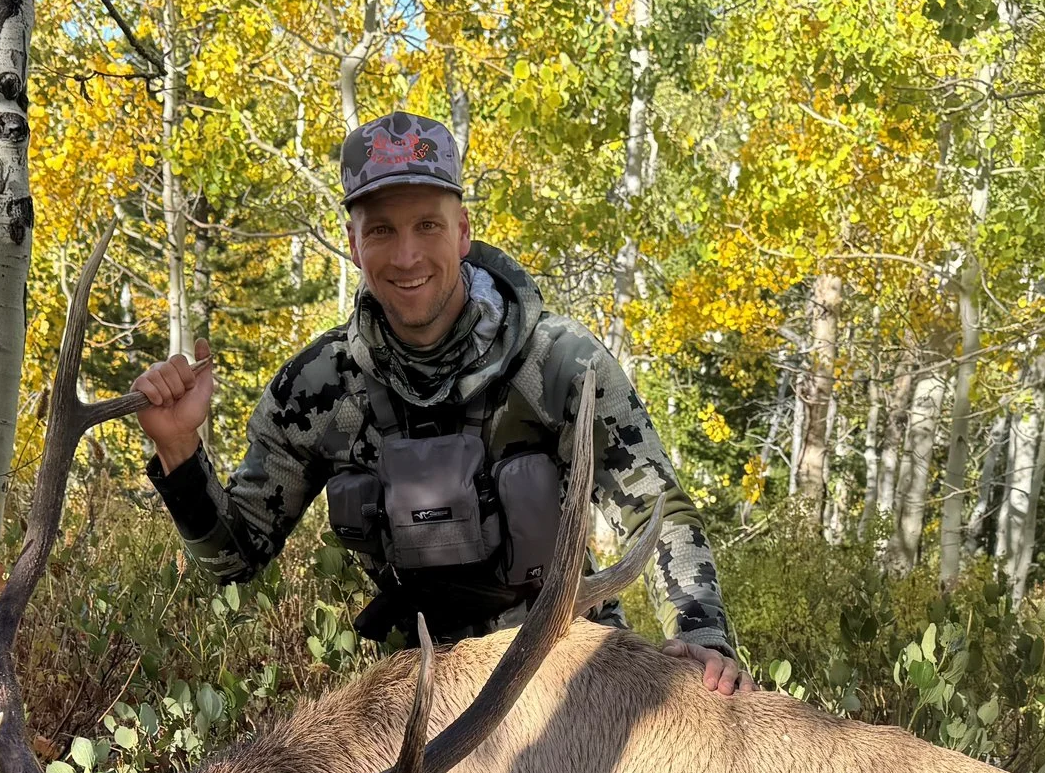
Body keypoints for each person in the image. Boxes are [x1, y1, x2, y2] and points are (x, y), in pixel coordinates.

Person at [130, 110, 752, 695]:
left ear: (462, 233)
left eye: (427, 225)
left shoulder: (561, 362)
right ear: (354, 244)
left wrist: (699, 633)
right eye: (381, 230)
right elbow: (235, 560)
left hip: (571, 673)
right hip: (419, 694)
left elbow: (655, 508)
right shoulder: (318, 388)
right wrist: (180, 450)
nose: (406, 256)